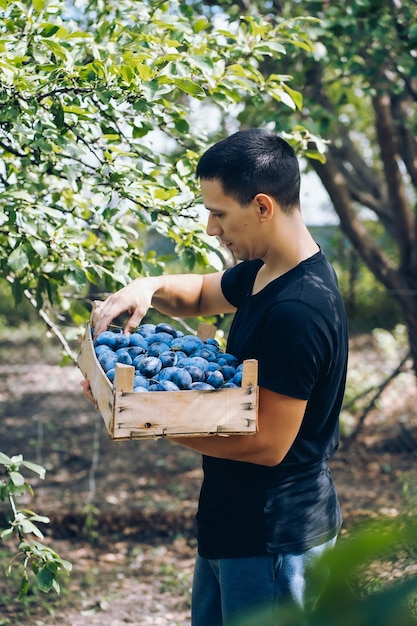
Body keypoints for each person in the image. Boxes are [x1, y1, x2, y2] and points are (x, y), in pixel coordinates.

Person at [82, 128, 348, 626]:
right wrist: (147, 286)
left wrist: (149, 418)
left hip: (274, 537)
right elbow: (201, 294)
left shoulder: (300, 309)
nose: (209, 228)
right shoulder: (265, 271)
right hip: (236, 523)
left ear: (263, 206)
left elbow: (268, 443)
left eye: (219, 213)